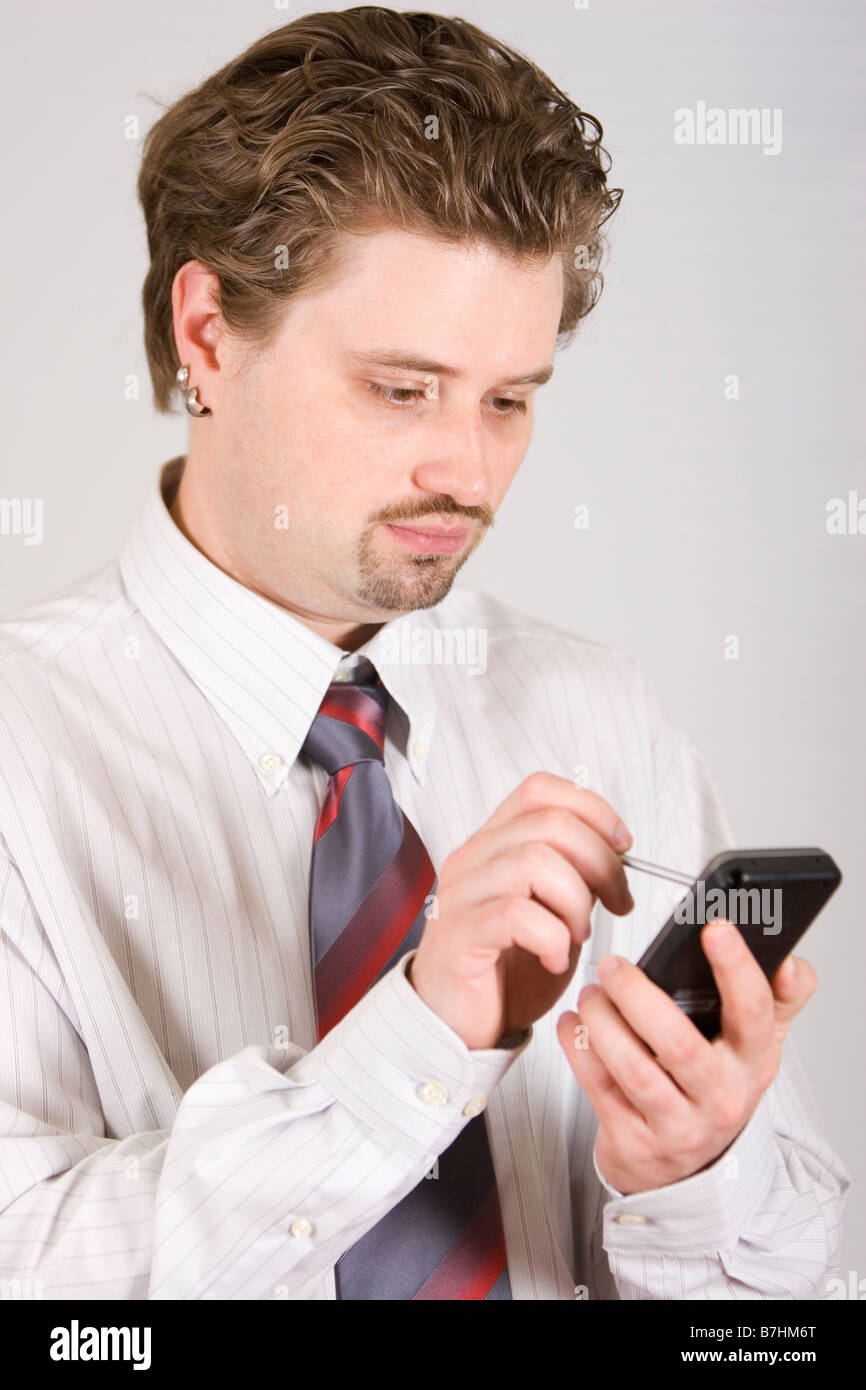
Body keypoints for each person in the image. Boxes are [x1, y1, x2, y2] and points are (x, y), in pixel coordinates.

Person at [0, 7, 848, 1300]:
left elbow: (780, 1314)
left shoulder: (593, 714)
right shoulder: (21, 752)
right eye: (401, 389)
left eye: (509, 399)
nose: (466, 469)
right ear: (208, 334)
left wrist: (695, 1166)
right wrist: (416, 1034)